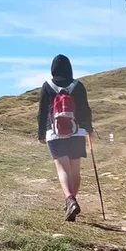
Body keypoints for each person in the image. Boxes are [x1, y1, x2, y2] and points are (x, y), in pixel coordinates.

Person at [37, 54, 93, 222]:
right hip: (77, 132)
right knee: (75, 169)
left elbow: (42, 113)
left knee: (62, 169)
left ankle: (70, 199)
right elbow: (86, 109)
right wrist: (88, 129)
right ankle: (72, 201)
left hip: (54, 133)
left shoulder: (47, 86)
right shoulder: (78, 86)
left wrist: (41, 133)